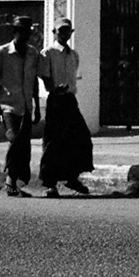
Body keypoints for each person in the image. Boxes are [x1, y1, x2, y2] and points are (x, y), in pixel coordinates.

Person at [0, 14, 45, 197]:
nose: (25, 35)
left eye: (28, 32)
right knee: (14, 139)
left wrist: (35, 106)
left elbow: (34, 81)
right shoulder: (2, 52)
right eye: (21, 31)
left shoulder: (33, 53)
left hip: (26, 105)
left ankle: (18, 181)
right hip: (8, 106)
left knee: (24, 145)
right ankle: (10, 180)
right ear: (15, 32)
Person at [38, 17, 93, 198]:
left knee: (81, 138)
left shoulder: (73, 55)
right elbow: (45, 77)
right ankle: (50, 184)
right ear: (54, 32)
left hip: (69, 99)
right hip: (56, 99)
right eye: (60, 30)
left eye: (67, 30)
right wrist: (54, 88)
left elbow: (74, 77)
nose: (64, 34)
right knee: (53, 142)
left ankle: (72, 176)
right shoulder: (48, 53)